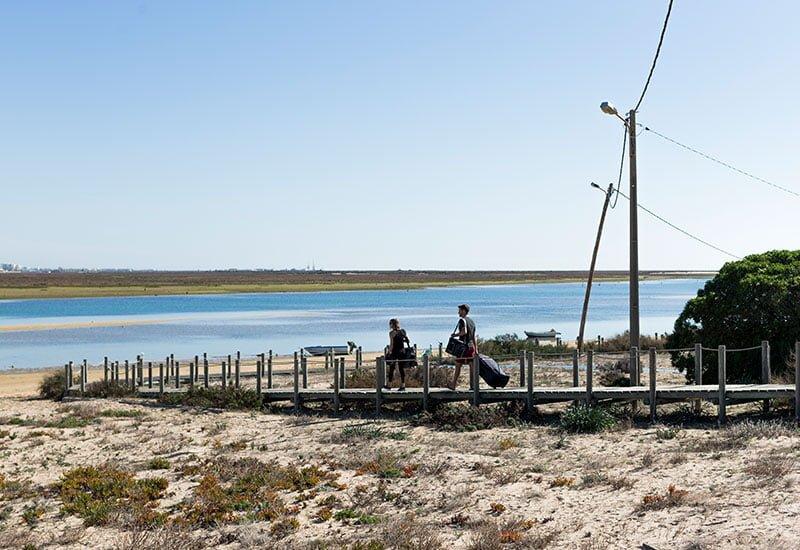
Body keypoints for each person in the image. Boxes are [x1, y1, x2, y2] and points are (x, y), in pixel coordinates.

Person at [449, 304, 477, 390]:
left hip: (463, 347)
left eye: (460, 310)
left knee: (458, 365)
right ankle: (473, 386)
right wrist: (476, 349)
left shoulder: (462, 320)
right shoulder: (472, 322)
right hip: (471, 346)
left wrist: (455, 335)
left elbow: (464, 332)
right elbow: (474, 336)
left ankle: (453, 385)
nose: (458, 312)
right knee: (472, 366)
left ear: (464, 311)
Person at [385, 318, 410, 391]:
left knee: (392, 368)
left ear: (392, 324)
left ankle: (389, 385)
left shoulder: (392, 333)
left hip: (395, 352)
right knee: (401, 368)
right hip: (402, 351)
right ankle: (403, 385)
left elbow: (391, 344)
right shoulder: (403, 331)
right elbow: (407, 340)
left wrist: (389, 352)